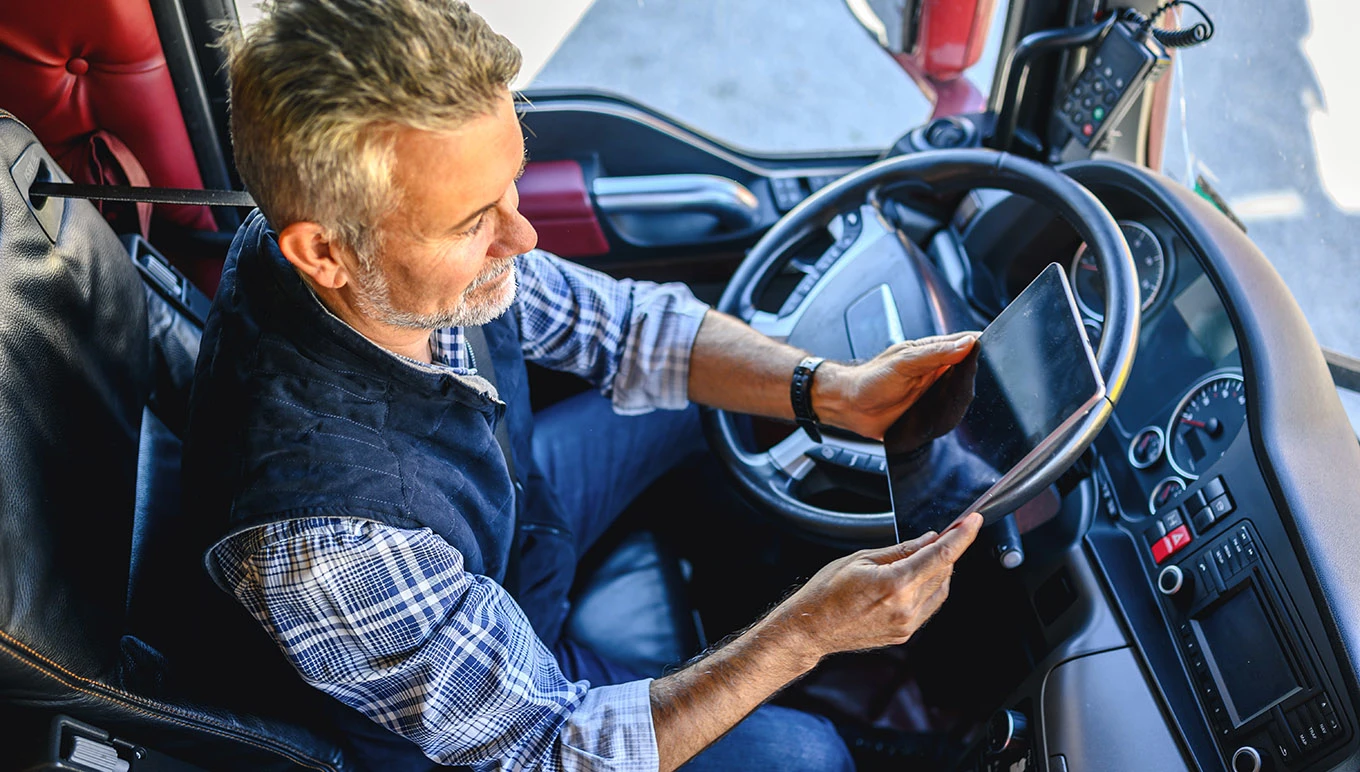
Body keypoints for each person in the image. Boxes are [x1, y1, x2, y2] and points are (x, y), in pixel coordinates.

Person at [185, 1, 983, 769]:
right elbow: (548, 749)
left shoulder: (378, 264)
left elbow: (631, 330)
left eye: (512, 187)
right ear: (322, 253)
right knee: (810, 758)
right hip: (473, 720)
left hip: (506, 527)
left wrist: (830, 389)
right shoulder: (325, 545)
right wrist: (804, 635)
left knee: (709, 399)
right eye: (472, 223)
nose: (522, 236)